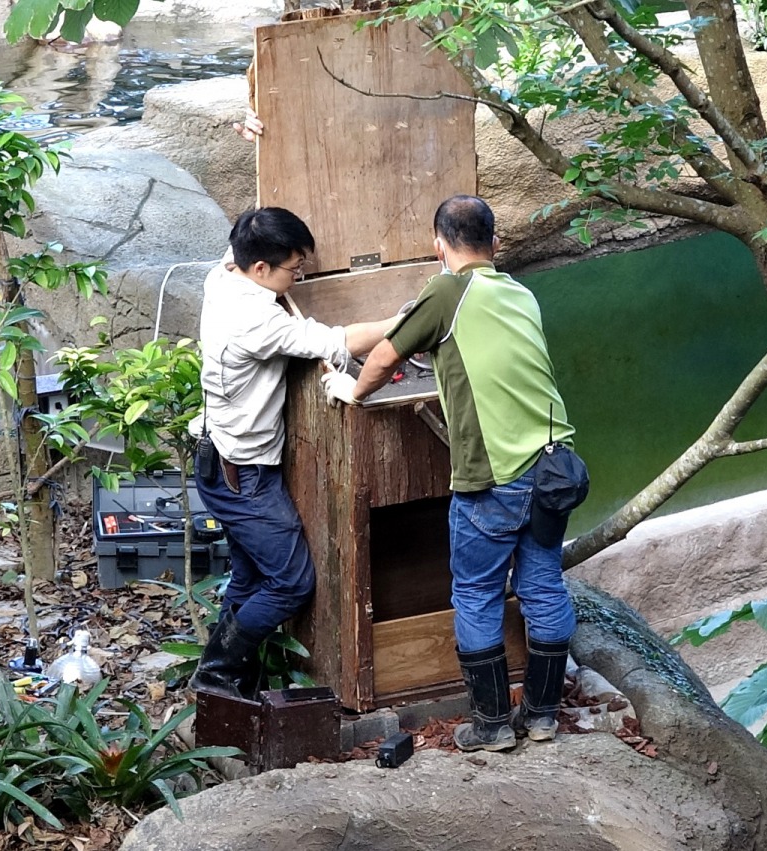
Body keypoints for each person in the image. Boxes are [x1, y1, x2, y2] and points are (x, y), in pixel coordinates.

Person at [322, 195, 578, 752]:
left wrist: (352, 390)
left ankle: (491, 726)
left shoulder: (445, 291)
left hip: (496, 476)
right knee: (541, 584)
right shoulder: (520, 293)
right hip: (555, 468)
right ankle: (541, 717)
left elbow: (384, 357)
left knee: (477, 592)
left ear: (438, 245)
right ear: (496, 244)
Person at [190, 206, 396, 700]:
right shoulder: (255, 320)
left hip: (220, 459)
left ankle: (228, 685)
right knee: (291, 584)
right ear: (261, 268)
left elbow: (244, 240)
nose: (298, 278)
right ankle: (216, 674)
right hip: (244, 476)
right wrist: (402, 320)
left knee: (249, 577)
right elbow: (336, 341)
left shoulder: (224, 274)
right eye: (294, 269)